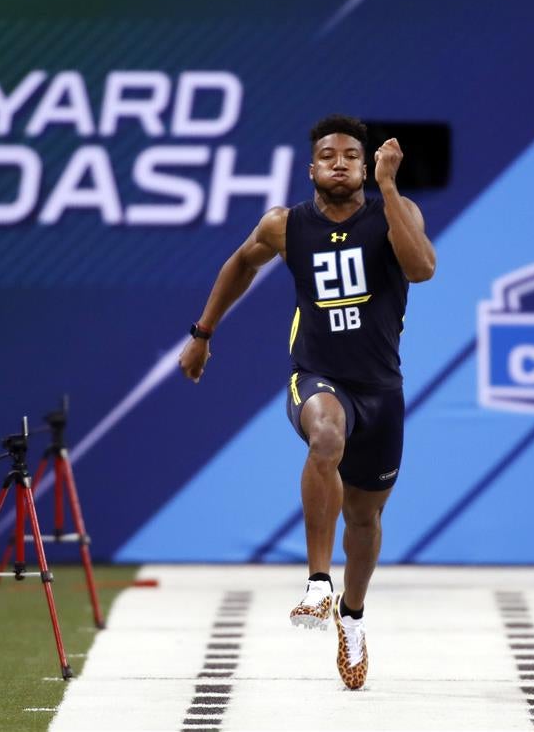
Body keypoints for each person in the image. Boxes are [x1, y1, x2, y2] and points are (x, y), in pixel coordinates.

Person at [178, 114, 436, 690]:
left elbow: (421, 269)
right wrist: (202, 334)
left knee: (366, 519)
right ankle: (318, 583)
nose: (339, 162)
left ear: (365, 165)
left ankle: (353, 615)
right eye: (328, 155)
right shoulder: (285, 225)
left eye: (351, 155)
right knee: (324, 436)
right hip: (318, 376)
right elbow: (241, 263)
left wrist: (390, 188)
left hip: (382, 391)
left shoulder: (395, 212)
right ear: (311, 168)